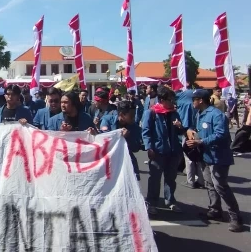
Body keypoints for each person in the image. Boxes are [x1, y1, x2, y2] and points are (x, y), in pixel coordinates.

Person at [187, 89, 243, 232]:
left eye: (194, 99)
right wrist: (190, 132)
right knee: (210, 184)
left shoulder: (216, 115)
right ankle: (215, 210)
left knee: (221, 186)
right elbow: (196, 129)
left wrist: (201, 141)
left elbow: (221, 134)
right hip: (206, 156)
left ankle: (235, 217)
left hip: (219, 157)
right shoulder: (199, 113)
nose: (192, 101)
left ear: (201, 100)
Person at [141, 86, 185, 215]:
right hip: (158, 151)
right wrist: (149, 147)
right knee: (154, 179)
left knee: (171, 178)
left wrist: (180, 126)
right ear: (161, 99)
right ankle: (152, 203)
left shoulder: (174, 113)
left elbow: (181, 131)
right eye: (170, 99)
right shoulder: (151, 112)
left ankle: (170, 201)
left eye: (173, 99)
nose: (172, 102)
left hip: (173, 151)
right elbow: (146, 132)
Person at [100, 101, 142, 180]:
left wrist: (127, 137)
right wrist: (119, 137)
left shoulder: (134, 127)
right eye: (131, 115)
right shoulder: (107, 120)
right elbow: (104, 139)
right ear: (122, 115)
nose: (134, 118)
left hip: (127, 161)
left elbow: (136, 148)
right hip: (109, 162)